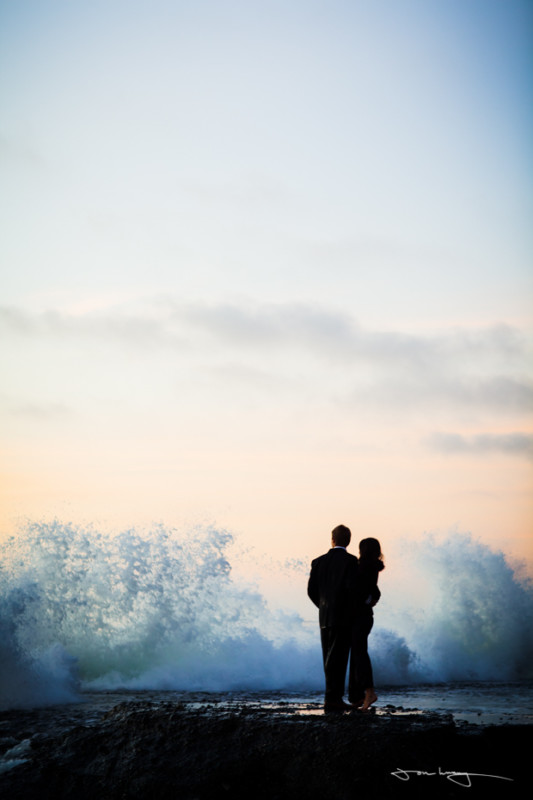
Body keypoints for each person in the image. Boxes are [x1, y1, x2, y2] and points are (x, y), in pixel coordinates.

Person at [307, 524, 359, 711]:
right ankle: (334, 698)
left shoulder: (318, 561)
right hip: (343, 617)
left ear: (332, 539)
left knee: (328, 657)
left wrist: (323, 607)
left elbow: (312, 591)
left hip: (324, 616)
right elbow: (352, 589)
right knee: (339, 657)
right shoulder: (351, 561)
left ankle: (331, 697)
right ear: (349, 540)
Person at [348, 537, 384, 712]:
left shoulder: (363, 566)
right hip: (364, 615)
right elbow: (374, 591)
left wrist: (368, 599)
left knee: (359, 653)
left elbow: (363, 589)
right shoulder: (371, 566)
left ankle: (369, 692)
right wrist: (371, 599)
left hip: (359, 616)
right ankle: (358, 695)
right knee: (357, 653)